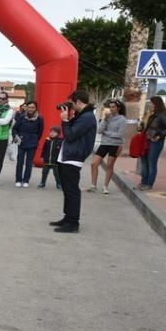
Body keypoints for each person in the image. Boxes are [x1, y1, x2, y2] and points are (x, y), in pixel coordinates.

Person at [50, 90, 96, 233]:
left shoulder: (87, 117)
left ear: (78, 102)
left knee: (72, 191)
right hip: (67, 157)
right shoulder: (82, 115)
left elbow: (70, 135)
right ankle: (68, 218)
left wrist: (64, 120)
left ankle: (73, 222)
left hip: (74, 158)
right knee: (67, 190)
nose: (71, 106)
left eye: (72, 103)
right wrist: (69, 117)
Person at [88, 99, 126, 194]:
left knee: (109, 165)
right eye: (110, 107)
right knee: (94, 163)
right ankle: (93, 185)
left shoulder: (122, 119)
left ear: (118, 108)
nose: (111, 109)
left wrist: (106, 133)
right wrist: (104, 120)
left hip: (115, 145)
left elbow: (119, 134)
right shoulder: (107, 118)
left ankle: (105, 186)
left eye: (113, 107)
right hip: (104, 143)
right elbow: (99, 130)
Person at [140, 96, 166, 191]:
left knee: (151, 162)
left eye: (152, 103)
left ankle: (149, 184)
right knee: (144, 162)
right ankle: (143, 182)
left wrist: (160, 135)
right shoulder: (150, 114)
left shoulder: (163, 114)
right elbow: (146, 126)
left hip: (155, 142)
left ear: (156, 104)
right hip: (146, 140)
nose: (150, 105)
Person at [12, 100, 43, 187]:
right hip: (21, 142)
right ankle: (18, 180)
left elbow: (40, 132)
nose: (30, 109)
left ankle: (26, 180)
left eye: (32, 107)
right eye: (29, 107)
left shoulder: (40, 119)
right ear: (26, 108)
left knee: (29, 163)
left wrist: (35, 139)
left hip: (32, 143)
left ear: (36, 108)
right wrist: (16, 137)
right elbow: (14, 129)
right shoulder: (21, 117)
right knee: (20, 162)